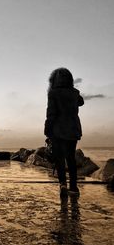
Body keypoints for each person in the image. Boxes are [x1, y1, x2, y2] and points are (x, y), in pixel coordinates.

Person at [44, 68, 84, 198]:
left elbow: (51, 113)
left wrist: (47, 129)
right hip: (73, 129)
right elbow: (81, 102)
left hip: (58, 130)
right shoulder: (74, 93)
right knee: (71, 158)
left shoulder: (53, 93)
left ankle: (63, 185)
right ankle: (73, 187)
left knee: (59, 158)